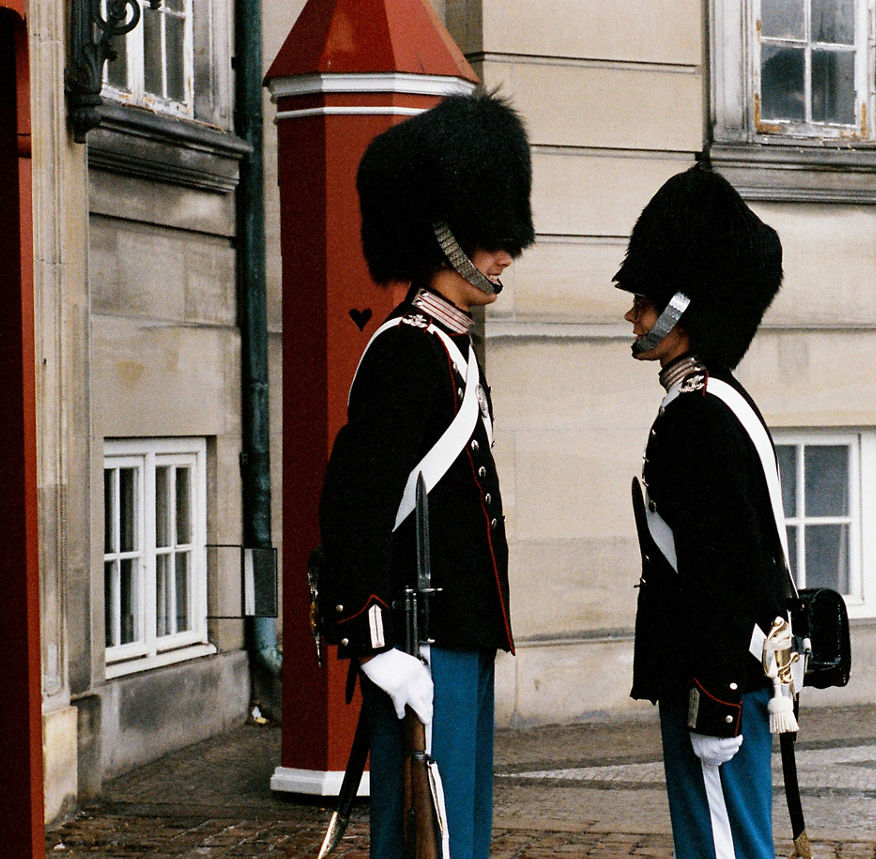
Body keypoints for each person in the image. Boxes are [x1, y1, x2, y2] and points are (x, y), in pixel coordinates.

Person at [317, 90, 533, 859]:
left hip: (460, 636)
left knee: (458, 839)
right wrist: (378, 646)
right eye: (492, 237)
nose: (507, 252)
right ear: (447, 237)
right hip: (422, 641)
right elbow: (352, 505)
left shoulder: (454, 347)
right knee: (426, 843)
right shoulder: (409, 351)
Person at [616, 164, 795, 859]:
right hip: (723, 672)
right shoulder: (714, 399)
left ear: (682, 308)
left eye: (644, 298)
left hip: (715, 676)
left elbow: (723, 566)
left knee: (724, 847)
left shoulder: (696, 416)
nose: (633, 314)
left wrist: (714, 695)